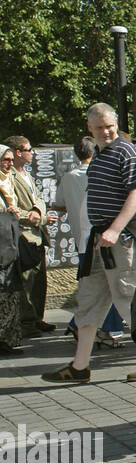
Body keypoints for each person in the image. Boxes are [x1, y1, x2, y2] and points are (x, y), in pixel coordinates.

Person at [41, 104, 136, 384]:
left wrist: (115, 229)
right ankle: (80, 366)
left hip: (121, 239)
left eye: (110, 126)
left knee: (130, 301)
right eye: (99, 127)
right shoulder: (100, 155)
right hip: (99, 239)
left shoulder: (126, 151)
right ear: (89, 129)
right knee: (89, 302)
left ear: (115, 124)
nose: (106, 132)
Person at [51, 136, 126, 346]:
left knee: (91, 287)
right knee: (108, 285)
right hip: (103, 237)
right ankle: (102, 329)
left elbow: (59, 204)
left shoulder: (68, 177)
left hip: (81, 239)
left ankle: (83, 326)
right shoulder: (100, 174)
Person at [3, 135, 57, 335]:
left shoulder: (27, 174)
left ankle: (37, 317)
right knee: (26, 279)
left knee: (39, 279)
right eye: (29, 149)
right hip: (24, 234)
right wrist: (36, 217)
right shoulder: (9, 178)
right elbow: (13, 208)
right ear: (18, 151)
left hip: (37, 234)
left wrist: (38, 210)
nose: (32, 153)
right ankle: (26, 321)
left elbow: (40, 198)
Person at [0, 146, 24, 351]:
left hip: (10, 245)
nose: (8, 164)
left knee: (11, 292)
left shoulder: (8, 182)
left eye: (10, 160)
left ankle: (9, 339)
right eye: (4, 160)